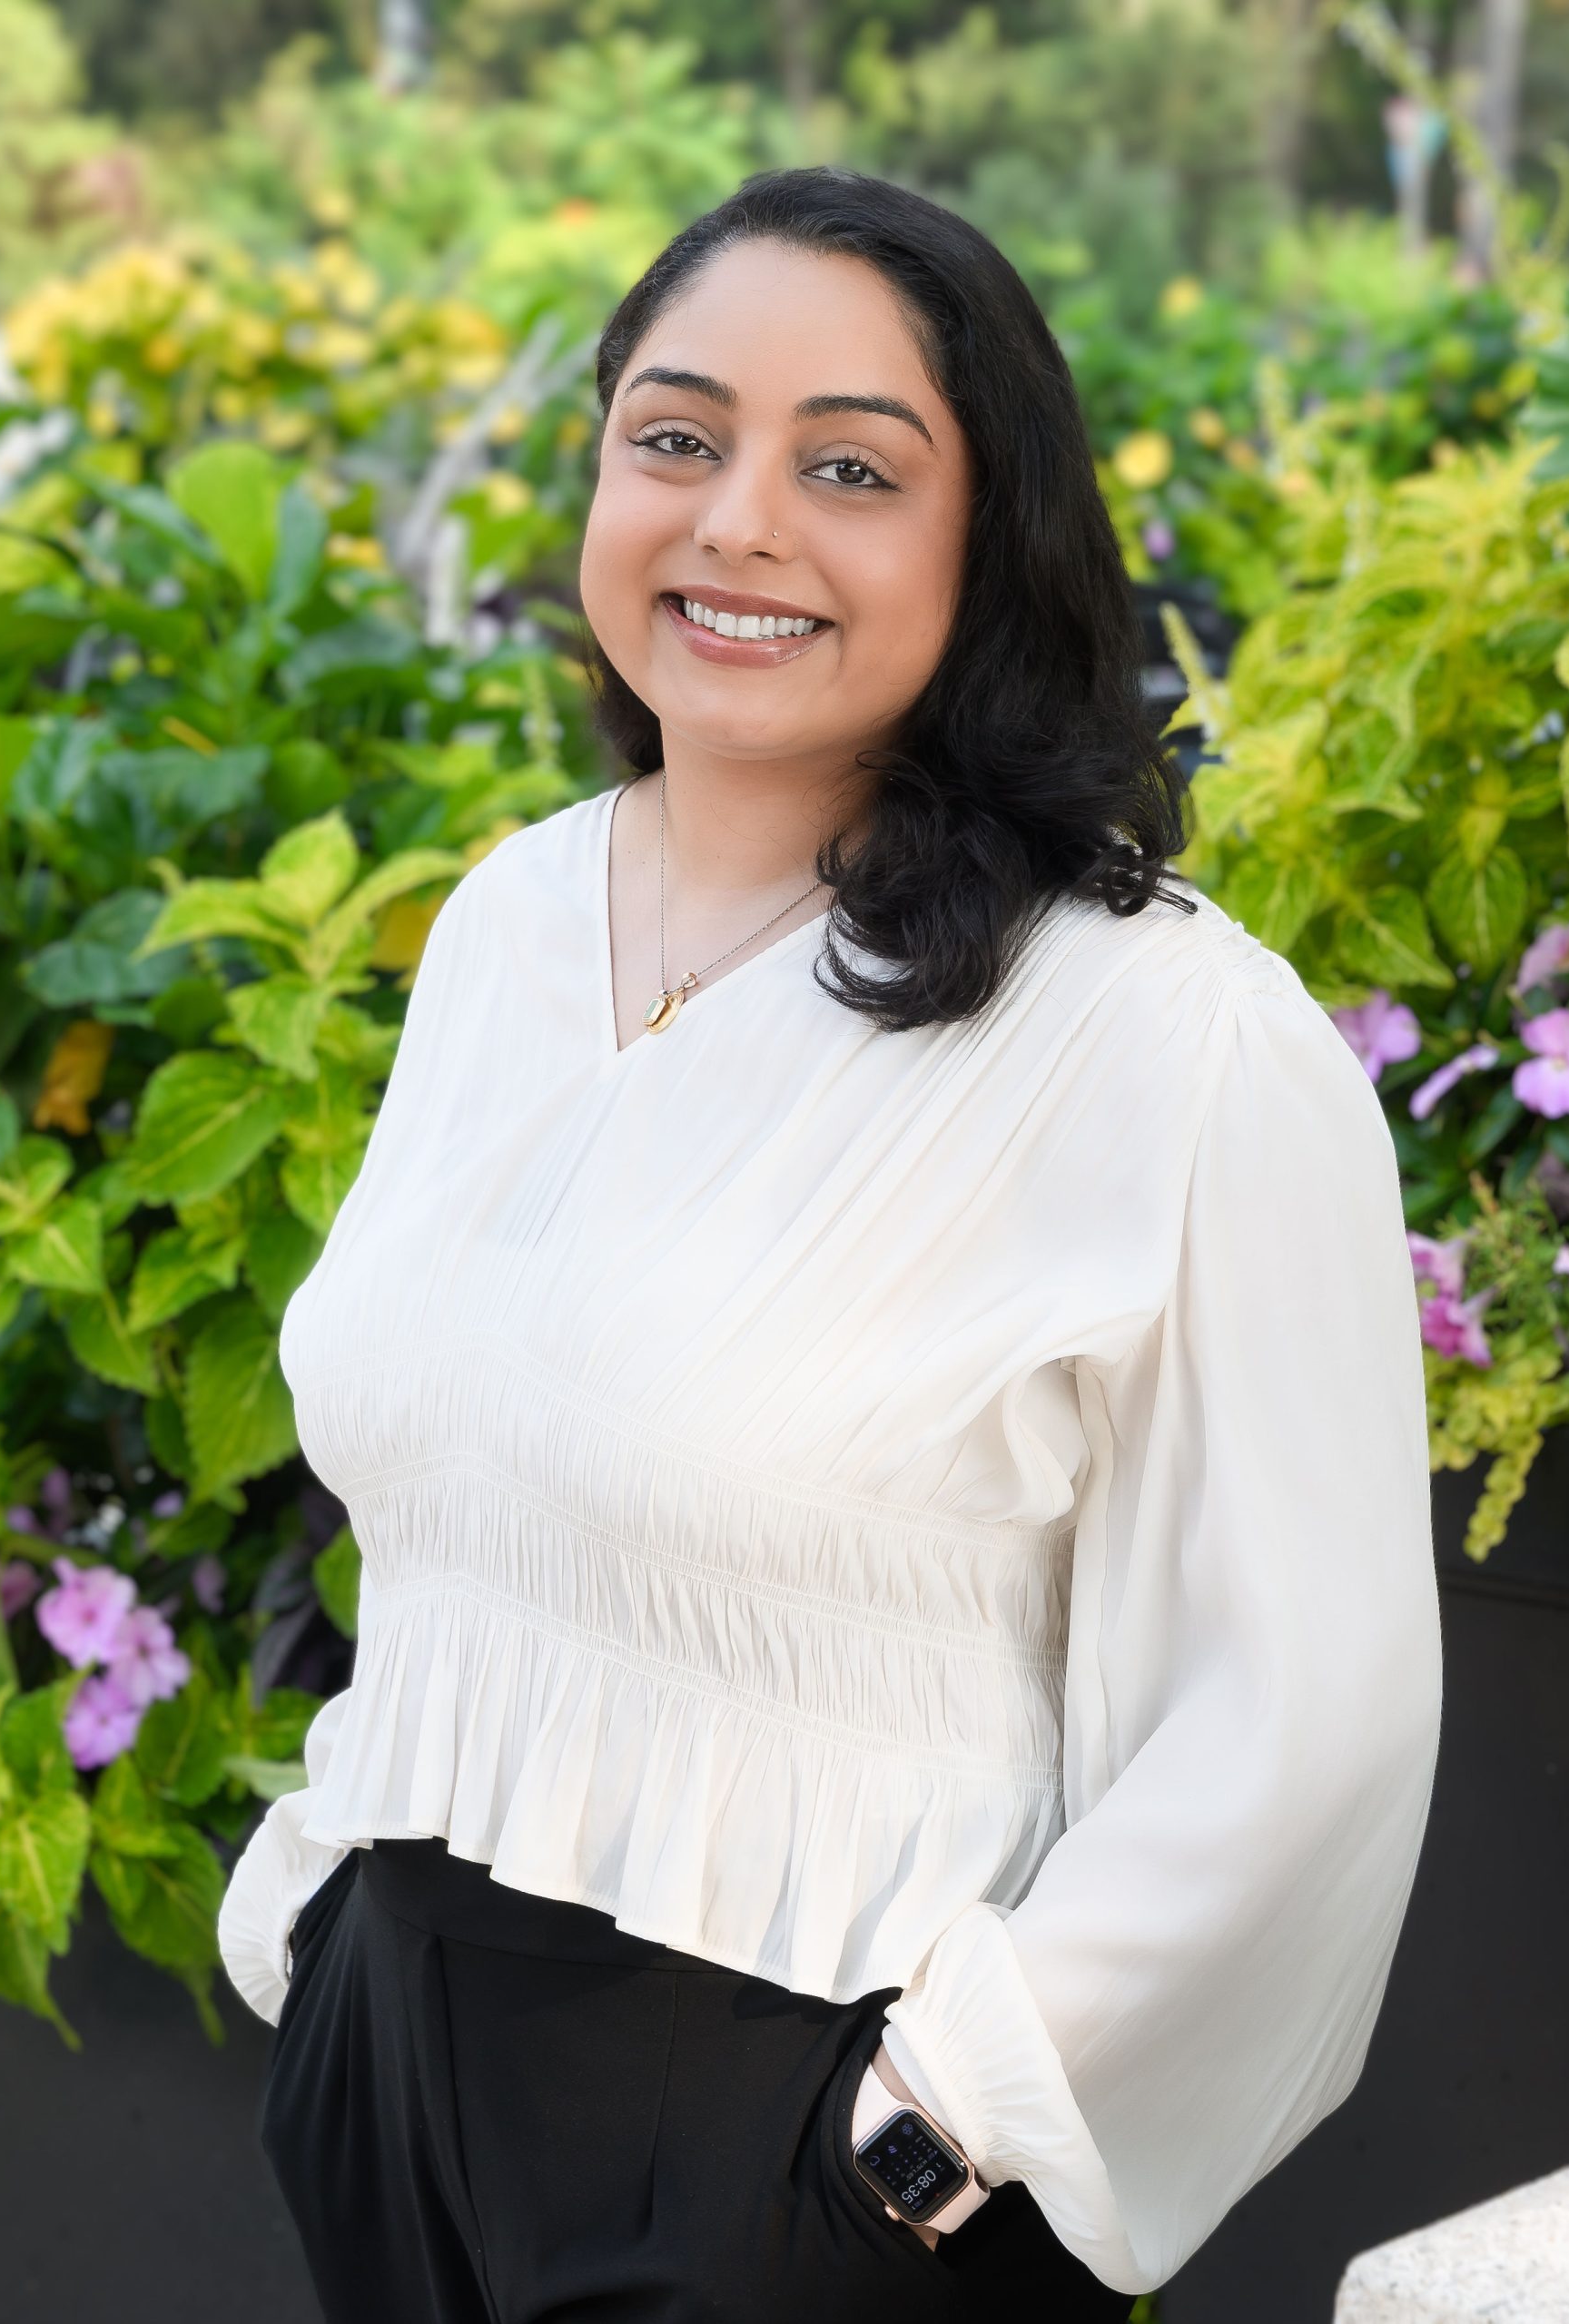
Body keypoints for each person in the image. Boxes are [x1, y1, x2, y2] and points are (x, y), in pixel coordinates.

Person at [218, 164, 1442, 2323]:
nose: (734, 521)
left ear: (991, 546)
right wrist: (313, 1905)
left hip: (803, 2156)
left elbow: (1307, 1716)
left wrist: (935, 2132)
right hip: (393, 2059)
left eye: (849, 467)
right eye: (673, 437)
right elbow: (451, 1470)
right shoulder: (510, 916)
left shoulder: (1159, 1036)